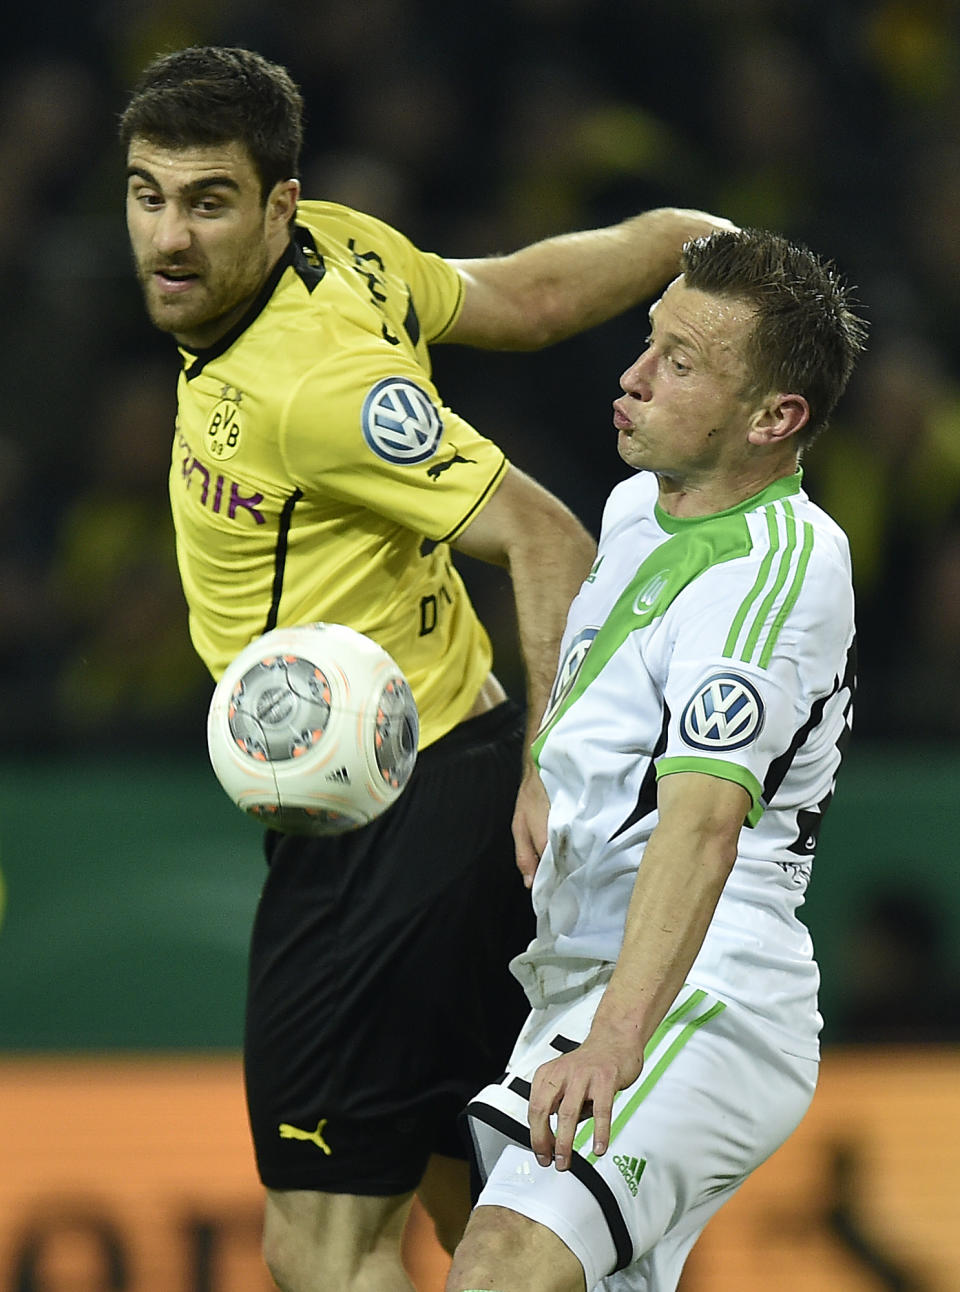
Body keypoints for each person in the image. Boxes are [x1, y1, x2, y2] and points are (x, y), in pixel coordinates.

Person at [118, 44, 733, 1292]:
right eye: (147, 195)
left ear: (277, 202)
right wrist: (680, 233)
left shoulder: (312, 387)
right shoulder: (340, 248)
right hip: (437, 796)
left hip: (378, 820)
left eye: (208, 201)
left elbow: (547, 536)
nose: (168, 238)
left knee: (321, 1243)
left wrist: (548, 771)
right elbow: (527, 295)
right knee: (475, 1204)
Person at [446, 227, 868, 1292]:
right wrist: (544, 761)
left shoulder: (782, 567)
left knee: (501, 1265)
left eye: (680, 364)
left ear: (775, 419)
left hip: (701, 988)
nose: (631, 377)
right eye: (649, 342)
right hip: (578, 981)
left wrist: (616, 1039)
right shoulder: (640, 504)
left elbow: (703, 820)